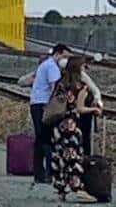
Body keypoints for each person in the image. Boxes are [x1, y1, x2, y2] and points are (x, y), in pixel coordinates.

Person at [50, 56, 100, 203]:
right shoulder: (80, 87)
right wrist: (93, 109)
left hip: (58, 126)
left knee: (60, 158)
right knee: (73, 158)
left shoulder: (61, 83)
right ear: (79, 69)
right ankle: (79, 191)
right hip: (71, 127)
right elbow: (79, 108)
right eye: (84, 67)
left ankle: (61, 191)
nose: (85, 70)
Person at [30, 43, 71, 184]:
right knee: (47, 139)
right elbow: (55, 87)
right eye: (64, 56)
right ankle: (48, 172)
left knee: (40, 139)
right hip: (44, 105)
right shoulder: (52, 67)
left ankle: (39, 173)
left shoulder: (45, 64)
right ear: (58, 54)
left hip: (37, 102)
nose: (65, 60)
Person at [78, 61, 103, 156]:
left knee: (85, 138)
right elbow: (79, 107)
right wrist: (94, 109)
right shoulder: (83, 88)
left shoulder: (87, 86)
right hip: (82, 117)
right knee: (83, 139)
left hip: (86, 117)